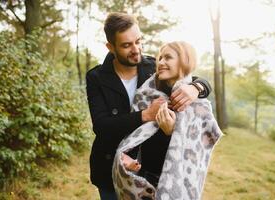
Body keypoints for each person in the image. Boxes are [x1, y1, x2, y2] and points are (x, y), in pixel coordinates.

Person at [86, 12, 211, 200]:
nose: (136, 49)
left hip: (149, 167)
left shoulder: (154, 66)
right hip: (109, 164)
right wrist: (145, 114)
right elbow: (102, 126)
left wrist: (197, 87)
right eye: (127, 45)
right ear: (110, 47)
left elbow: (190, 77)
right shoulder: (96, 77)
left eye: (138, 41)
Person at [113, 41, 222, 200]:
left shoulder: (197, 105)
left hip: (177, 180)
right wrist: (129, 158)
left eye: (168, 58)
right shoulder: (147, 94)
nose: (161, 62)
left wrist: (171, 132)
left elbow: (196, 152)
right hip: (144, 177)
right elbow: (135, 135)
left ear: (184, 61)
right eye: (160, 57)